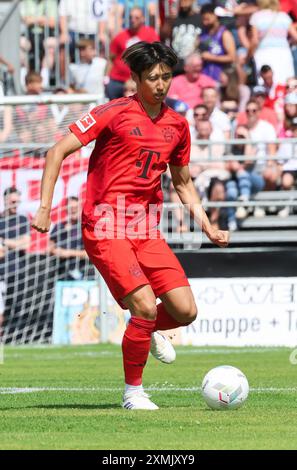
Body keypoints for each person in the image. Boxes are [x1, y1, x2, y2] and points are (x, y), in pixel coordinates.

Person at [32, 41, 229, 410]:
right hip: (104, 224)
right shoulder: (113, 111)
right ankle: (133, 393)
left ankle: (145, 329)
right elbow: (56, 151)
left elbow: (183, 184)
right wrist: (45, 207)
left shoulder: (177, 125)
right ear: (136, 79)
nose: (160, 84)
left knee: (186, 311)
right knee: (144, 305)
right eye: (152, 77)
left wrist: (207, 227)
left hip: (145, 228)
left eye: (166, 77)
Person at [106, 7, 160, 99]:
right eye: (131, 17)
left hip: (139, 81)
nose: (133, 20)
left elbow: (157, 54)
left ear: (143, 18)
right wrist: (106, 76)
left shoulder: (151, 34)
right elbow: (111, 58)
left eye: (136, 18)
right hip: (118, 80)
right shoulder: (120, 36)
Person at [50, 197, 88, 280]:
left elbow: (90, 254)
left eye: (76, 208)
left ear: (80, 208)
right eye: (71, 208)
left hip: (84, 272)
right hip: (61, 272)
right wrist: (56, 251)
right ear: (66, 209)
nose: (73, 210)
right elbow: (50, 247)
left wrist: (69, 253)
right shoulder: (59, 226)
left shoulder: (87, 227)